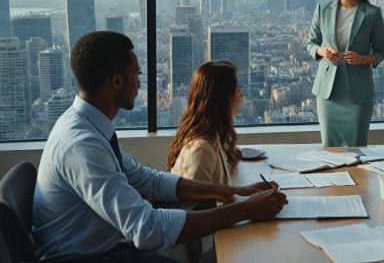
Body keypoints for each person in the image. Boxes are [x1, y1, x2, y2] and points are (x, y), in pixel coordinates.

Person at [33, 31, 287, 262]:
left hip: (107, 249)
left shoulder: (88, 127)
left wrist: (233, 191)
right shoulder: (82, 145)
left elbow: (150, 182)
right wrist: (244, 209)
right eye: (137, 75)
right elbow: (146, 229)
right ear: (117, 81)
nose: (140, 84)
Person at [306, 0, 384, 147]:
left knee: (357, 149)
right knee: (329, 147)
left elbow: (381, 52)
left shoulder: (372, 13)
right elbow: (311, 43)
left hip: (358, 91)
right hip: (328, 92)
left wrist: (361, 59)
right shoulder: (323, 10)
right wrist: (322, 51)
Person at [168, 60, 242, 207]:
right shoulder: (202, 150)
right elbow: (196, 212)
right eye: (238, 91)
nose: (241, 97)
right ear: (224, 99)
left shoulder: (212, 136)